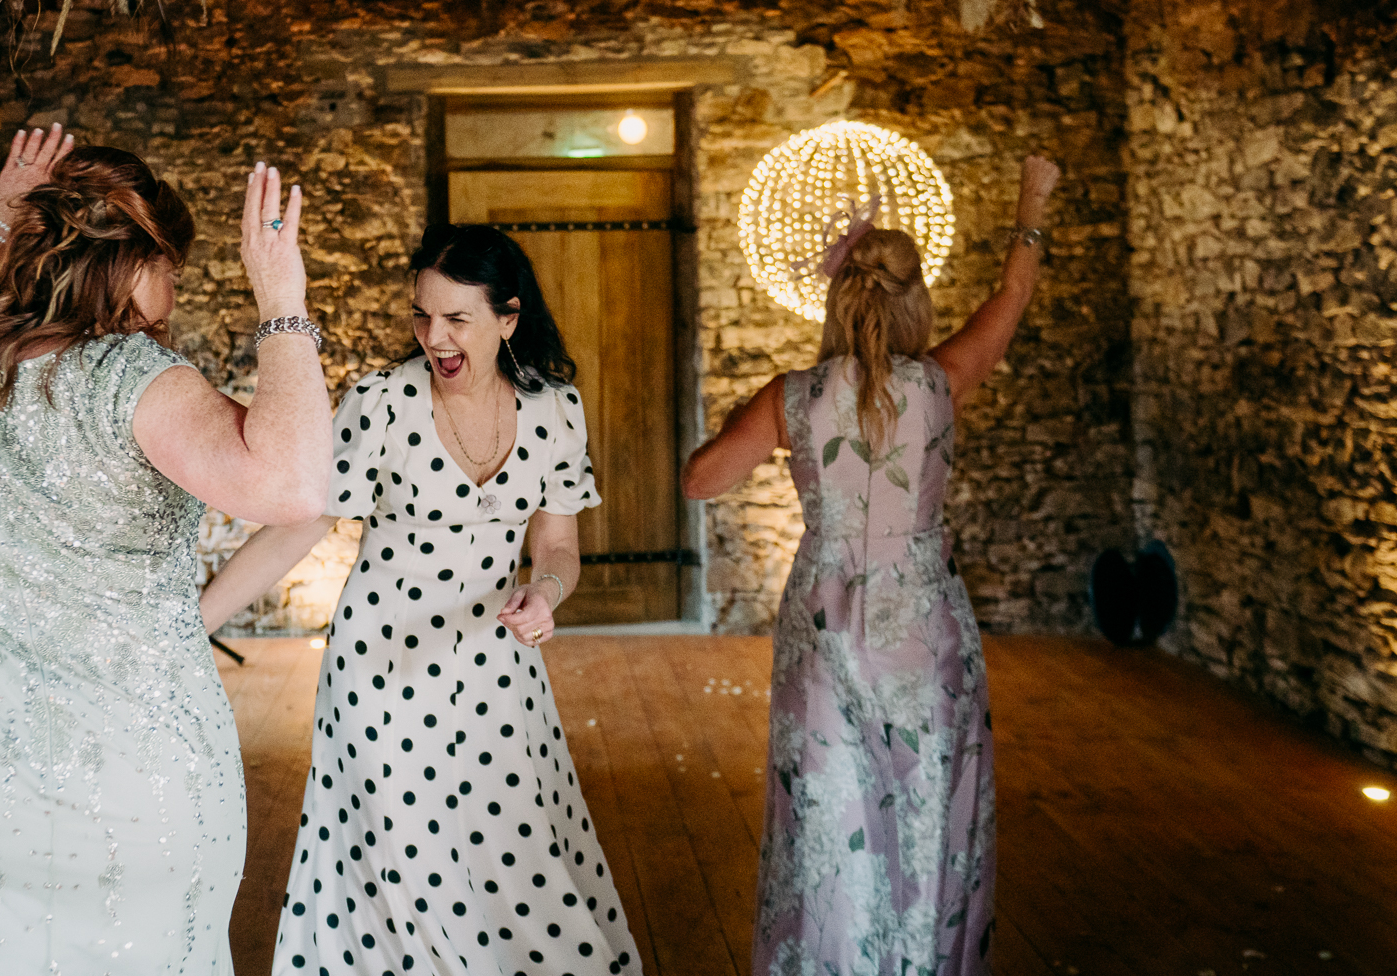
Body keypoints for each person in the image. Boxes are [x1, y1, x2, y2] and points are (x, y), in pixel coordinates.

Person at [0, 125, 332, 974]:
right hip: (135, 791)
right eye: (175, 269)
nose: (176, 290)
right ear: (139, 262)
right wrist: (281, 300)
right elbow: (299, 489)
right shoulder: (135, 382)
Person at [199, 222, 641, 976]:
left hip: (497, 669)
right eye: (421, 315)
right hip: (380, 667)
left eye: (456, 318)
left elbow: (558, 545)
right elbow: (300, 524)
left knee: (511, 843)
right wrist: (190, 624)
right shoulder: (382, 402)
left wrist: (547, 592)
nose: (434, 336)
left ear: (508, 318)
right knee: (400, 853)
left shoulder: (556, 409)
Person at [683, 156, 1062, 975]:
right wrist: (1032, 198)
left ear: (837, 298)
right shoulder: (943, 382)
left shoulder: (792, 396)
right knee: (929, 808)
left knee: (827, 812)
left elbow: (701, 480)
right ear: (914, 302)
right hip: (924, 623)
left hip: (826, 622)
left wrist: (743, 428)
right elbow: (1013, 298)